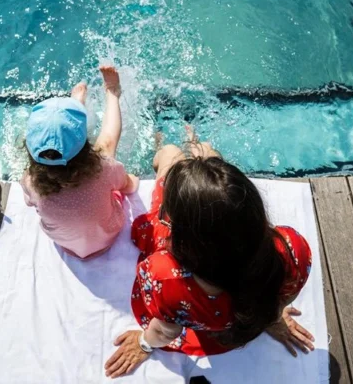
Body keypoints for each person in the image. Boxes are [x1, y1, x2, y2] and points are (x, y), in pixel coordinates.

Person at [105, 135, 314, 378]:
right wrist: (272, 317)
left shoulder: (165, 278)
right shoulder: (291, 248)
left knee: (170, 153)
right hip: (238, 322)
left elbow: (165, 331)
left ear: (183, 235)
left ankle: (172, 144)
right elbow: (285, 294)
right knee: (207, 159)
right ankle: (198, 146)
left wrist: (144, 343)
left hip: (205, 320)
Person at [21, 65, 139, 259]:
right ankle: (112, 93)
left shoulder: (30, 181)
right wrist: (131, 181)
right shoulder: (102, 170)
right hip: (107, 238)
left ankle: (75, 106)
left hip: (66, 245)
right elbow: (127, 186)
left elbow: (30, 202)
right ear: (85, 146)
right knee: (107, 145)